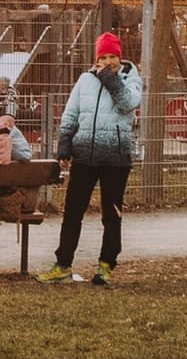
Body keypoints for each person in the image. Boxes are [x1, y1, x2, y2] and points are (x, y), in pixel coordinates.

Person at [44, 32, 140, 286]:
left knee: (111, 214)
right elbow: (71, 113)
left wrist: (109, 79)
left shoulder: (130, 79)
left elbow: (128, 103)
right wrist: (64, 145)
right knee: (73, 212)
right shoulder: (85, 80)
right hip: (85, 155)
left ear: (119, 57)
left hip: (116, 158)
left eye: (112, 56)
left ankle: (106, 265)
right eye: (102, 56)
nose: (107, 61)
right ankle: (62, 265)